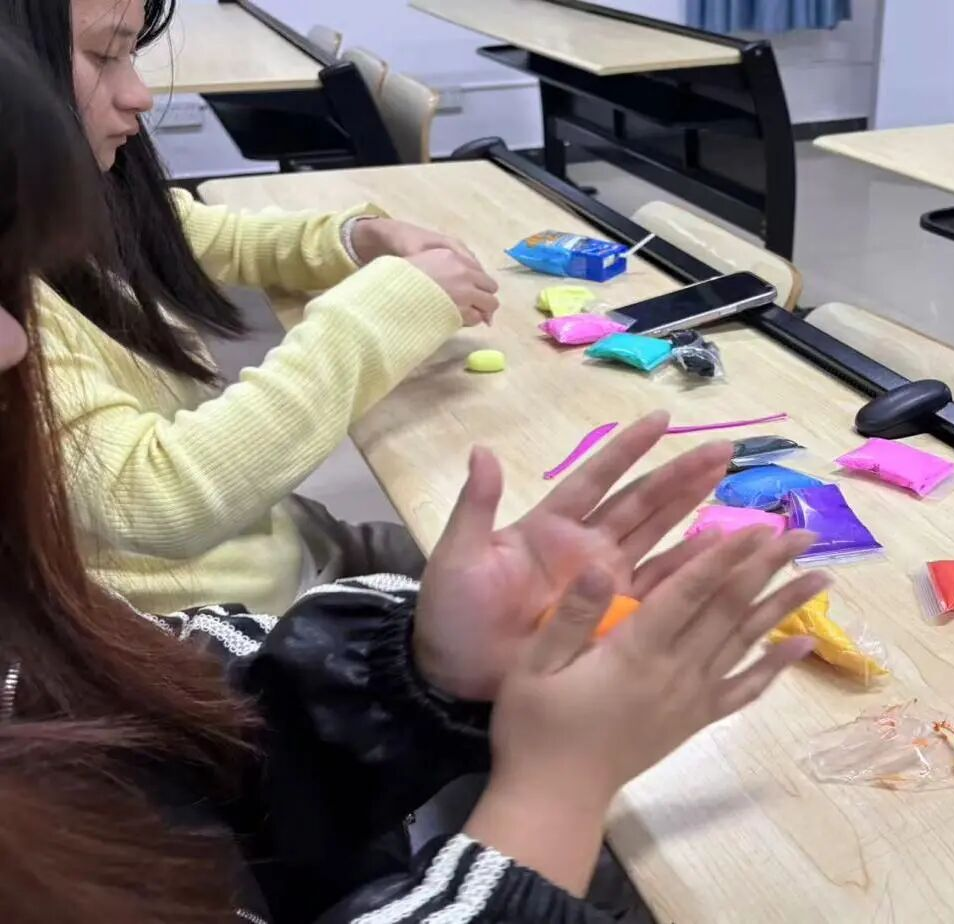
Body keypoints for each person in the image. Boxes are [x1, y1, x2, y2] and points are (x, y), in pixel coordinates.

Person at [0, 30, 829, 922]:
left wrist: (416, 670)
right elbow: (157, 508)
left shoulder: (36, 643)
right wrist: (554, 792)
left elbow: (155, 704)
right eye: (105, 55)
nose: (15, 344)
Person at [2, 0, 502, 615]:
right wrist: (384, 314)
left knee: (508, 563)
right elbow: (155, 496)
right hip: (225, 623)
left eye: (131, 56)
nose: (139, 96)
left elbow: (200, 234)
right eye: (106, 56)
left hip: (283, 549)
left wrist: (356, 239)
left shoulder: (79, 200)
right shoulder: (16, 315)